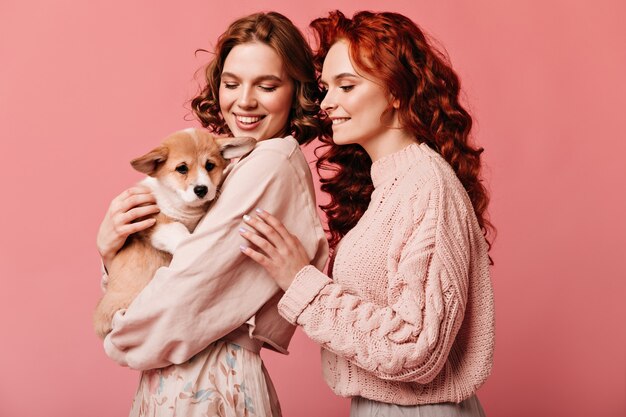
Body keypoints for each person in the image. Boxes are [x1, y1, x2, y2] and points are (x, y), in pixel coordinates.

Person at [239, 10, 495, 417]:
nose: (328, 103)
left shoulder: (426, 185)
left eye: (347, 86)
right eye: (327, 88)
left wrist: (300, 283)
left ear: (396, 92)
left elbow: (417, 348)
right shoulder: (392, 186)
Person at [96, 12, 328, 417]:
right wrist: (109, 251)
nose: (245, 101)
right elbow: (163, 273)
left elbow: (189, 288)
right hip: (182, 375)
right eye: (231, 83)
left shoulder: (271, 161)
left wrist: (121, 334)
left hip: (211, 381)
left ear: (298, 90)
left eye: (267, 85)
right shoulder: (232, 160)